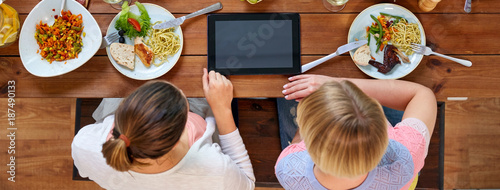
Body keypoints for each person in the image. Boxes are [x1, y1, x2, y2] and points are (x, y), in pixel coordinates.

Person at [72, 68, 255, 190]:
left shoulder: (84, 145)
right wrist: (222, 109)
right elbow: (248, 182)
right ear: (176, 141)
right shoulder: (213, 168)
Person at [275, 74, 437, 190]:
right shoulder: (406, 156)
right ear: (383, 134)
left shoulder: (288, 170)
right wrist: (340, 83)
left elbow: (296, 143)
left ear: (308, 141)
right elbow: (422, 94)